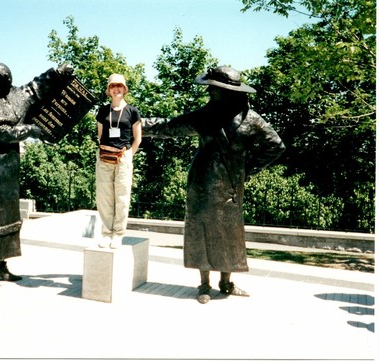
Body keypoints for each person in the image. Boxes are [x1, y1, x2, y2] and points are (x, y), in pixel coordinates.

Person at [143, 66, 285, 303]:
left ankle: (226, 282)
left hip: (230, 184)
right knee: (202, 229)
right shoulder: (204, 116)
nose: (209, 91)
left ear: (227, 91)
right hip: (202, 182)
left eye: (214, 89)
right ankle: (204, 285)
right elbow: (167, 126)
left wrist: (248, 169)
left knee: (229, 232)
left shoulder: (252, 119)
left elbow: (276, 145)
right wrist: (130, 123)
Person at [0, 62, 74, 296]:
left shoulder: (14, 96)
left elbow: (35, 88)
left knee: (6, 216)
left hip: (8, 169)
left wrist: (58, 73)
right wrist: (29, 130)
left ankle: (0, 267)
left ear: (6, 80)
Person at [95, 73, 142, 248]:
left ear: (124, 89)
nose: (116, 89)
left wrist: (129, 156)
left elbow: (137, 138)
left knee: (122, 197)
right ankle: (106, 233)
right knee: (104, 197)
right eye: (113, 86)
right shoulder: (102, 111)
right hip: (105, 158)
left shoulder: (132, 111)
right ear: (109, 90)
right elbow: (100, 136)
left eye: (119, 86)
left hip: (123, 157)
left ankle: (118, 234)